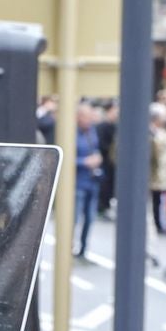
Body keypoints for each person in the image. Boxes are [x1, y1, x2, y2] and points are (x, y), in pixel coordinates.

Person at [74, 101, 104, 257]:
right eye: (86, 117)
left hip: (92, 181)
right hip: (78, 181)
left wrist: (97, 158)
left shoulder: (91, 132)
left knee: (89, 217)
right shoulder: (71, 133)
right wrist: (83, 162)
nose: (89, 120)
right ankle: (69, 248)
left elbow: (96, 149)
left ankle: (83, 250)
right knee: (75, 217)